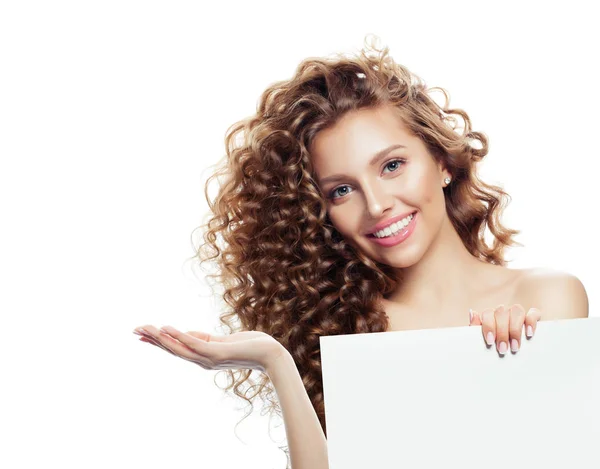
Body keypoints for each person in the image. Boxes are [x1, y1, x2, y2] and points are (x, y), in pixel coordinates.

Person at [132, 35, 589, 469]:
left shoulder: (547, 298)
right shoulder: (353, 328)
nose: (376, 206)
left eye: (392, 166)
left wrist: (519, 363)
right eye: (342, 190)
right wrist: (275, 360)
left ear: (443, 162)